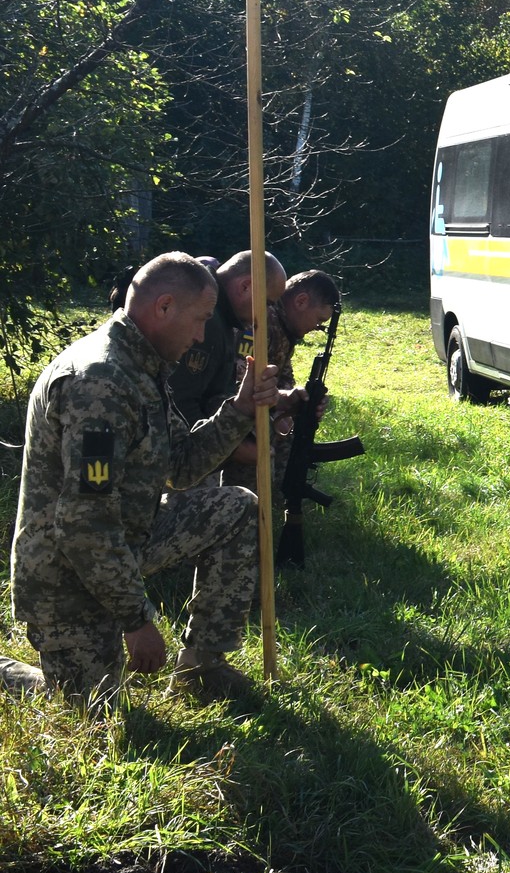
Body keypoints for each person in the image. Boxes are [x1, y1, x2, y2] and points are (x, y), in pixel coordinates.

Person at [4, 252, 278, 707]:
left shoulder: (142, 366)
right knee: (92, 711)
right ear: (164, 306)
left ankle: (203, 665)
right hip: (66, 572)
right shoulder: (101, 381)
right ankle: (13, 675)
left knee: (236, 507)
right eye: (199, 320)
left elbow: (182, 467)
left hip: (127, 538)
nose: (199, 336)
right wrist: (137, 619)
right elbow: (83, 523)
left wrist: (240, 410)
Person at [223, 269, 341, 493]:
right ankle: (247, 506)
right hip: (231, 412)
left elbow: (283, 378)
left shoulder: (284, 330)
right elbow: (239, 383)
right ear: (301, 301)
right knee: (264, 433)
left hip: (252, 408)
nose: (317, 328)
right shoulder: (262, 324)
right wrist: (277, 407)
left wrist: (301, 400)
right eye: (319, 320)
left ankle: (278, 498)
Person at [166, 250, 283, 430]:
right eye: (267, 303)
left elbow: (214, 395)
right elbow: (180, 405)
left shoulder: (223, 318)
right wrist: (239, 451)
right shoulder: (209, 319)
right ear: (246, 286)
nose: (266, 314)